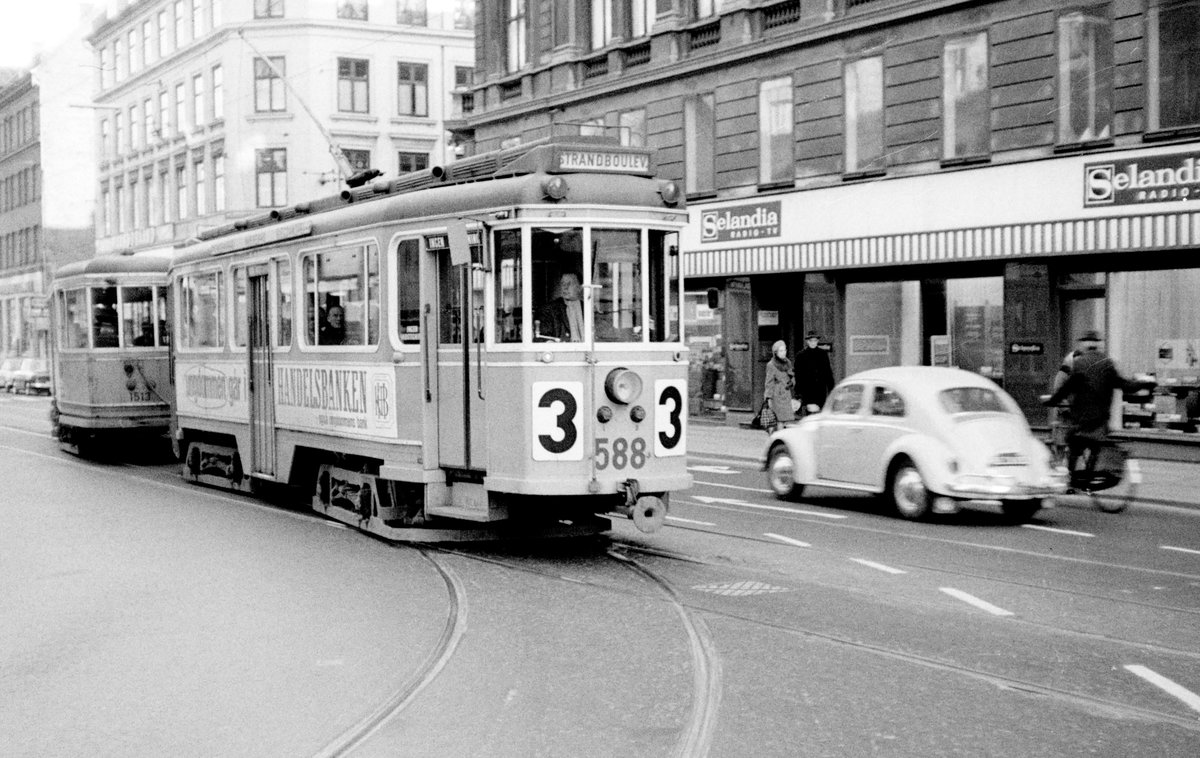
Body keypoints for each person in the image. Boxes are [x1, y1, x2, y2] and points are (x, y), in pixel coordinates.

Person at [1043, 331, 1134, 476]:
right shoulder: (1107, 362)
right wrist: (1142, 385)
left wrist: (1054, 401)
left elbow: (1065, 386)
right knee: (1095, 444)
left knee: (1073, 443)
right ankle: (1089, 474)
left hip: (1081, 418)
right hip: (1100, 420)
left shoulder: (1078, 362)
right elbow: (1124, 384)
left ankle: (1070, 476)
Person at [536, 272, 584, 342]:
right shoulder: (549, 310)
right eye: (563, 284)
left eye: (569, 283)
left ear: (580, 287)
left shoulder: (588, 308)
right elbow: (544, 338)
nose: (565, 287)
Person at [795, 330, 835, 414]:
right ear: (807, 341)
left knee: (820, 413)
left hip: (820, 389)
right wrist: (798, 393)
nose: (813, 343)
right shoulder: (801, 356)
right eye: (811, 341)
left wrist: (832, 389)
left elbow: (828, 373)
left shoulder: (823, 354)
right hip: (807, 390)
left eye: (815, 340)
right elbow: (798, 376)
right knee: (810, 413)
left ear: (817, 341)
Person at [762, 339, 796, 433]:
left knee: (786, 419)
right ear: (776, 352)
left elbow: (792, 375)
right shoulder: (771, 365)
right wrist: (768, 398)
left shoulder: (787, 363)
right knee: (779, 419)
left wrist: (792, 382)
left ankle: (780, 436)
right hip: (777, 394)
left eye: (785, 350)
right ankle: (778, 437)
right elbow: (769, 382)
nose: (784, 352)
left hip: (786, 393)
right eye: (781, 351)